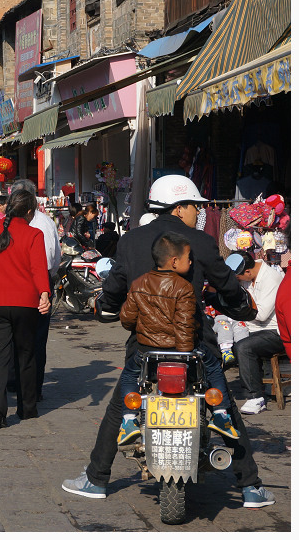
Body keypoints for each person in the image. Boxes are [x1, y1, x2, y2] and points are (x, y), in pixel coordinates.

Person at [62, 174, 274, 508]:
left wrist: (106, 308)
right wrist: (241, 305)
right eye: (195, 206)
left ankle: (96, 478)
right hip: (195, 344)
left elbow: (115, 289)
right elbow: (227, 285)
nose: (198, 213)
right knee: (225, 405)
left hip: (145, 346)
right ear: (180, 207)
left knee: (121, 404)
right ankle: (250, 486)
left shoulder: (131, 241)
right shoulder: (200, 242)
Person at [117, 233, 239, 444]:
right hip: (181, 350)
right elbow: (184, 325)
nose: (191, 262)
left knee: (129, 375)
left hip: (147, 350)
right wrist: (184, 354)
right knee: (213, 367)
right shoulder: (183, 287)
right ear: (174, 262)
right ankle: (220, 415)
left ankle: (128, 420)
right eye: (188, 257)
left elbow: (127, 320)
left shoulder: (139, 284)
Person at [0, 190, 51, 429]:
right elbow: (38, 268)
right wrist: (44, 293)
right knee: (26, 355)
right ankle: (27, 408)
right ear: (29, 211)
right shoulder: (33, 233)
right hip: (25, 303)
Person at [8, 178, 61, 401]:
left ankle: (31, 387)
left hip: (36, 285)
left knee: (34, 339)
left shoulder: (42, 224)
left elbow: (49, 260)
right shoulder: (25, 223)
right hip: (31, 283)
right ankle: (20, 383)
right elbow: (55, 259)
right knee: (24, 338)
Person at [226, 251, 286, 415]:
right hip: (251, 328)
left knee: (244, 347)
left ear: (247, 272)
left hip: (274, 332)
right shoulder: (248, 276)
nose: (237, 280)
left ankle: (255, 397)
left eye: (238, 277)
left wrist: (236, 312)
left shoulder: (271, 278)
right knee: (224, 345)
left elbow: (260, 315)